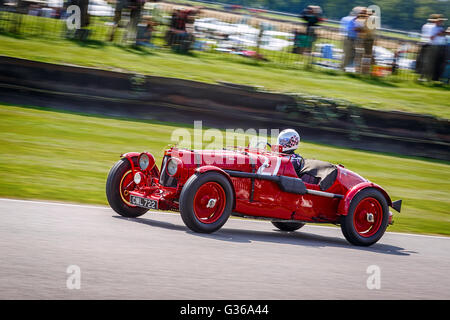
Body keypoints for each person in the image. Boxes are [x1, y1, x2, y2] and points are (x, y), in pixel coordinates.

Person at [416, 14, 437, 79]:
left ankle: (420, 73)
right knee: (428, 61)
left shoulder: (425, 25)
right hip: (430, 44)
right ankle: (423, 75)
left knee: (422, 59)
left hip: (423, 42)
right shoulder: (434, 27)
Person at [429, 14, 448, 81]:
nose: (441, 22)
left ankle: (437, 77)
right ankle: (433, 77)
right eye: (440, 21)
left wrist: (444, 33)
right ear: (436, 21)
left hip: (441, 47)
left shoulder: (441, 28)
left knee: (440, 63)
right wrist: (437, 34)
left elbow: (443, 36)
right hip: (435, 47)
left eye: (442, 21)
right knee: (435, 63)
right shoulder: (433, 28)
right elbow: (431, 38)